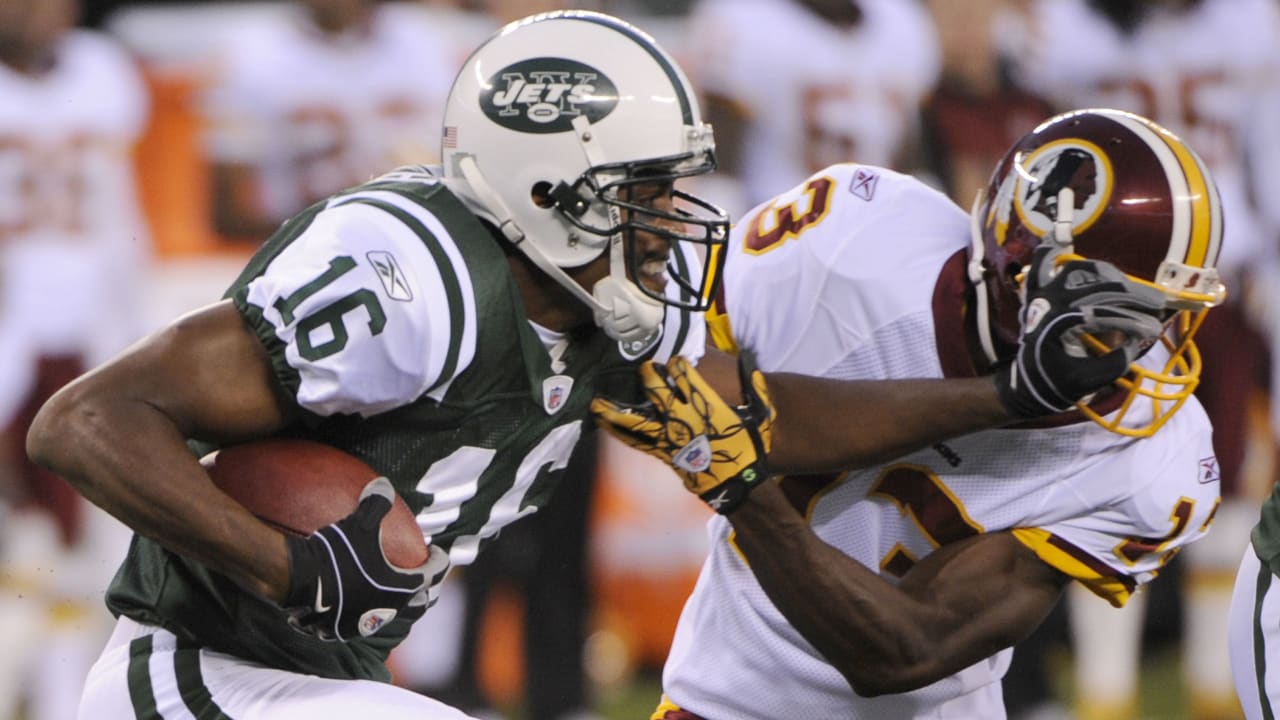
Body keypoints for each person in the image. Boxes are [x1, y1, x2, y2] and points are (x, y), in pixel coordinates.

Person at [27, 11, 1152, 720]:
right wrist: (283, 563)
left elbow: (755, 421)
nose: (674, 215)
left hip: (318, 681)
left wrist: (1003, 397)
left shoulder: (607, 295)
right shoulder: (411, 278)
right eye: (645, 187)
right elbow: (85, 422)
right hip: (196, 675)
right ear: (547, 185)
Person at [593, 108, 1227, 719]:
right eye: (1123, 313)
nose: (1150, 346)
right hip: (728, 702)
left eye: (1166, 315)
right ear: (1026, 269)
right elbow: (661, 379)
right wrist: (1001, 399)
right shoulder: (858, 235)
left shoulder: (1156, 454)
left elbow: (904, 652)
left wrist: (746, 487)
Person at [1006, 2, 1280, 716]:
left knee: (1228, 478)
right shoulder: (1064, 27)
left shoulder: (1248, 22)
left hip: (1227, 271)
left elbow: (1267, 142)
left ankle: (1218, 686)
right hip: (1114, 278)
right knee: (1108, 470)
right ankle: (1106, 694)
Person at [0, 0, 151, 717]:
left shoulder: (103, 72)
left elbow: (121, 212)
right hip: (10, 335)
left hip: (89, 337)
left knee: (78, 555)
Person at [201, 0, 456, 243]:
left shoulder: (426, 43)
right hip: (293, 247)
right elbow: (228, 211)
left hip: (414, 243)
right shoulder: (250, 53)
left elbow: (456, 171)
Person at [682, 0, 940, 216]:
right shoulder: (741, 19)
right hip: (779, 227)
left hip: (878, 221)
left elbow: (910, 159)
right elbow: (721, 170)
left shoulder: (900, 20)